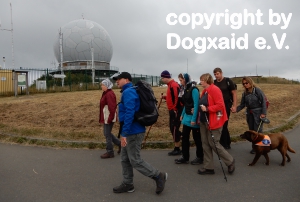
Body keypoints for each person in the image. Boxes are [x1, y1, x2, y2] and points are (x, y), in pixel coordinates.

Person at [112, 72, 167, 195]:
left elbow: (130, 113)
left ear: (126, 80)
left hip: (133, 132)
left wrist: (124, 133)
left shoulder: (129, 92)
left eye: (119, 79)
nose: (117, 81)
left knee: (135, 160)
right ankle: (128, 184)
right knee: (125, 159)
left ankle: (158, 175)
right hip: (130, 131)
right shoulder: (128, 91)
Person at [198, 73, 235, 175]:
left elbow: (220, 105)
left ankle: (230, 161)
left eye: (202, 80)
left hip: (214, 121)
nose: (200, 82)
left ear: (207, 80)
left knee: (214, 143)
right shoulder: (205, 91)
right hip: (203, 121)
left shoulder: (215, 89)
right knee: (205, 144)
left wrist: (208, 109)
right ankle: (208, 167)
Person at [174, 73, 204, 165]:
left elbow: (196, 105)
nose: (180, 82)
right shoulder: (185, 89)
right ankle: (185, 156)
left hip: (193, 118)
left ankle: (200, 157)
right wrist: (182, 114)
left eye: (181, 80)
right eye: (179, 80)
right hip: (187, 117)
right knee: (185, 138)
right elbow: (186, 104)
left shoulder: (194, 89)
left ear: (186, 79)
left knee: (197, 138)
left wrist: (194, 119)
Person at [235, 77, 267, 154]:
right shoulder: (245, 93)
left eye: (247, 83)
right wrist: (236, 109)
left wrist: (263, 113)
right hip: (249, 113)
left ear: (250, 82)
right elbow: (242, 104)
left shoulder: (257, 90)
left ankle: (262, 147)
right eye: (244, 84)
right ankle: (255, 147)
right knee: (251, 132)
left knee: (258, 131)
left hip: (258, 113)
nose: (245, 85)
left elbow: (263, 102)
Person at [213, 67, 237, 149]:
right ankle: (225, 142)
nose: (216, 76)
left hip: (226, 104)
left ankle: (225, 143)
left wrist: (234, 105)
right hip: (218, 106)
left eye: (218, 74)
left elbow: (234, 93)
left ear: (221, 73)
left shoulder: (228, 81)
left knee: (224, 122)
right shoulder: (214, 82)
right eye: (215, 74)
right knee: (220, 122)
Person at [160, 70, 183, 156]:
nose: (162, 79)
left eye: (162, 78)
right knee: (172, 128)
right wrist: (165, 97)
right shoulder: (170, 85)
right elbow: (172, 97)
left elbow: (177, 98)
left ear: (166, 77)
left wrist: (175, 109)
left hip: (175, 110)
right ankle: (180, 139)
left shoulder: (173, 85)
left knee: (174, 128)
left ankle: (177, 148)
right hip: (173, 110)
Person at [99, 79, 121, 158]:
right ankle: (120, 144)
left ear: (107, 86)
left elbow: (112, 107)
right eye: (101, 85)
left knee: (107, 134)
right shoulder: (106, 93)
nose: (101, 86)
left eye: (103, 85)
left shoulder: (109, 94)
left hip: (108, 117)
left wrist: (110, 118)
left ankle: (110, 152)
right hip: (106, 116)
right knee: (106, 133)